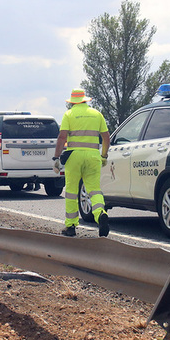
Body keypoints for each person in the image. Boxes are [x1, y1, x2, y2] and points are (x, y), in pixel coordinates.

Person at [53, 88, 110, 237]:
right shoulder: (97, 114)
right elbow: (106, 137)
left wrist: (56, 157)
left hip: (74, 157)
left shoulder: (69, 114)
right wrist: (103, 156)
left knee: (72, 191)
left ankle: (71, 226)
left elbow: (62, 137)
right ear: (85, 100)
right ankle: (100, 214)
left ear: (72, 102)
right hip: (93, 157)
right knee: (94, 190)